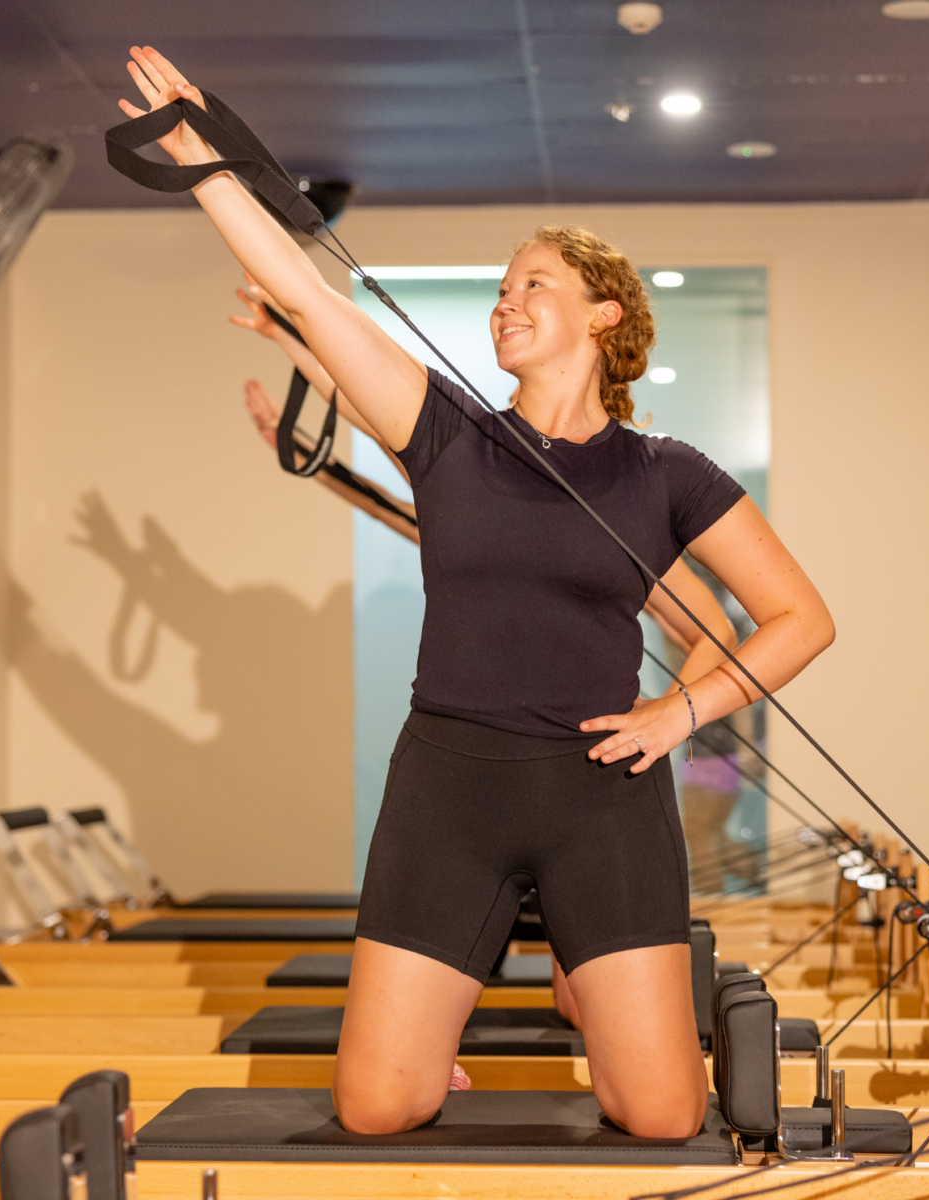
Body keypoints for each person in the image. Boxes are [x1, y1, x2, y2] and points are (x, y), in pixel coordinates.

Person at [119, 46, 835, 1139]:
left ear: (605, 314)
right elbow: (308, 293)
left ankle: (593, 998)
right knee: (377, 1107)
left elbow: (800, 620)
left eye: (533, 284)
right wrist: (198, 158)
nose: (507, 303)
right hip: (449, 788)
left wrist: (680, 713)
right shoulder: (446, 432)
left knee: (660, 1115)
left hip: (602, 794)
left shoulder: (666, 475)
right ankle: (453, 1028)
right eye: (501, 292)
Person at [234, 280, 742, 1028]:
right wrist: (293, 344)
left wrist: (670, 714)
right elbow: (385, 435)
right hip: (485, 779)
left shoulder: (618, 519)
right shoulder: (482, 508)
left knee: (578, 999)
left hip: (593, 772)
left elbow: (716, 632)